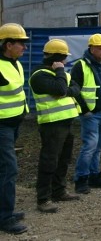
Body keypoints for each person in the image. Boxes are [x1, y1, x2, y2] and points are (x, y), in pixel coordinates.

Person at [29, 39, 82, 213]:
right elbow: (61, 89)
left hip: (66, 122)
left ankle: (59, 191)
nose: (66, 61)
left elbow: (75, 88)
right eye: (64, 58)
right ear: (58, 58)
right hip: (51, 124)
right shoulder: (39, 76)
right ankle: (43, 199)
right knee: (49, 161)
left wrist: (64, 87)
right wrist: (60, 73)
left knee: (63, 160)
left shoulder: (61, 74)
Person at [71, 33, 101, 194]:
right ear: (91, 49)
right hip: (91, 114)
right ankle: (81, 179)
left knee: (98, 147)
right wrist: (84, 111)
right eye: (100, 48)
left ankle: (94, 176)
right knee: (89, 146)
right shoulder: (81, 66)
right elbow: (75, 90)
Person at [0, 23, 30, 235]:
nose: (25, 48)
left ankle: (4, 210)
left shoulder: (15, 63)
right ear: (8, 45)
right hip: (1, 126)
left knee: (4, 169)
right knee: (9, 169)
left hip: (13, 123)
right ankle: (4, 217)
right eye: (21, 44)